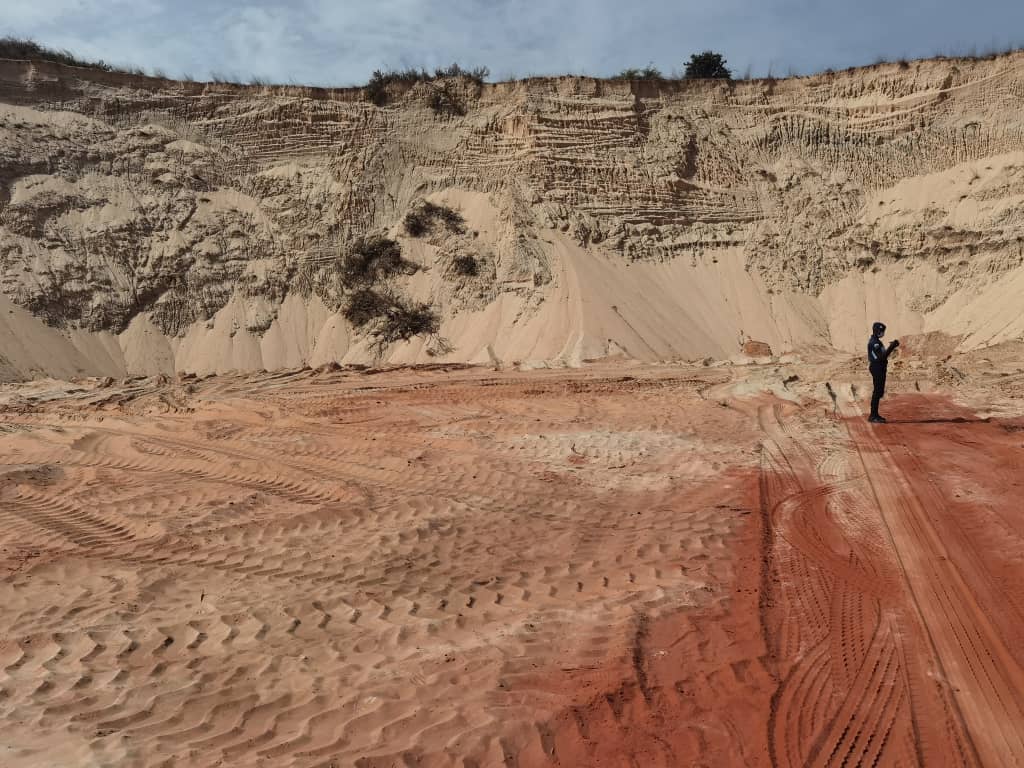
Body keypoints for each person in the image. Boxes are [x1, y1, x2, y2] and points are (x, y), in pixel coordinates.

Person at [867, 322, 899, 423]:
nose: (883, 333)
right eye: (882, 331)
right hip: (877, 367)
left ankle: (875, 414)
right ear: (877, 331)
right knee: (877, 392)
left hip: (879, 367)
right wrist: (892, 347)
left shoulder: (877, 341)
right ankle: (873, 416)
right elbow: (881, 357)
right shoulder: (874, 343)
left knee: (879, 391)